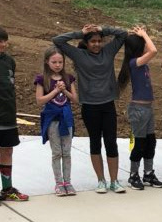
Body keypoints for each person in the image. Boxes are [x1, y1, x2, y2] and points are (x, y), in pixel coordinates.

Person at [53, 24, 127, 194]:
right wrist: (80, 33)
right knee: (95, 142)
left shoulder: (108, 51)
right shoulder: (79, 55)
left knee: (111, 142)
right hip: (89, 106)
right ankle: (101, 181)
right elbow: (57, 40)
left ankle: (114, 181)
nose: (96, 44)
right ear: (86, 43)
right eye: (92, 41)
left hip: (108, 104)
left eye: (99, 41)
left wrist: (103, 29)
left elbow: (122, 34)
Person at [118, 26, 162, 190]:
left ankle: (148, 173)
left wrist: (143, 35)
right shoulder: (134, 63)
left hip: (148, 109)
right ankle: (133, 175)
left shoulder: (142, 64)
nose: (147, 44)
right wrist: (144, 34)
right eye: (143, 42)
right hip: (138, 110)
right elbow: (153, 51)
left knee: (151, 142)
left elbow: (150, 51)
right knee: (139, 144)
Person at [35, 46, 78, 197]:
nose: (58, 65)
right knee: (57, 152)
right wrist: (55, 91)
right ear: (47, 62)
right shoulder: (42, 79)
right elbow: (40, 100)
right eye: (54, 62)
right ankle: (59, 183)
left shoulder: (68, 78)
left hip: (66, 119)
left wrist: (64, 90)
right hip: (52, 119)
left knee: (67, 152)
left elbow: (75, 99)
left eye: (60, 62)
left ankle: (68, 182)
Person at [0, 27, 27, 202]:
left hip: (8, 114)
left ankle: (7, 189)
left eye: (3, 41)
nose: (1, 44)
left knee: (7, 150)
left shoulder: (10, 61)